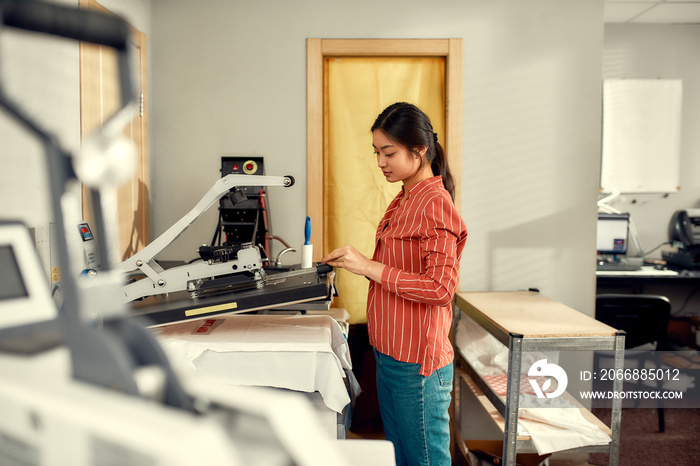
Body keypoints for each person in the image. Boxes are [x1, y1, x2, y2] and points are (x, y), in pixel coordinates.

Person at [321, 102, 468, 466]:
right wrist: (360, 265)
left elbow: (440, 289)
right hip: (390, 353)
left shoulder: (434, 203)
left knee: (424, 459)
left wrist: (368, 266)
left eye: (389, 152)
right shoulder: (404, 199)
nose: (381, 162)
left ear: (419, 151)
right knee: (399, 456)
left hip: (416, 361)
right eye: (377, 153)